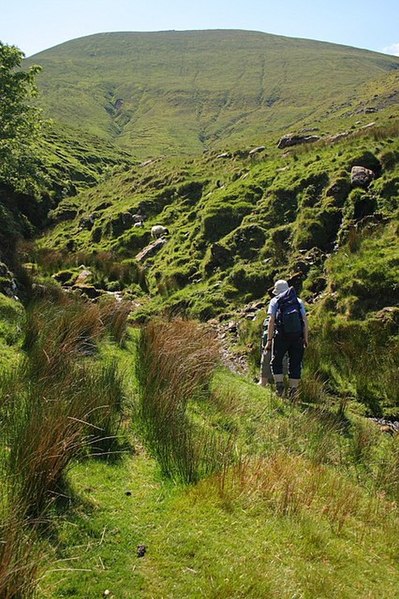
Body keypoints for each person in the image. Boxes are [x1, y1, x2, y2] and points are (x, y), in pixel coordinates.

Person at [264, 279, 308, 398]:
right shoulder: (298, 301)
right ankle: (293, 391)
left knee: (276, 362)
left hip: (281, 336)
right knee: (295, 364)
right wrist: (305, 338)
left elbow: (271, 321)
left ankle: (280, 387)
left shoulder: (275, 301)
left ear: (276, 290)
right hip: (297, 337)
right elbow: (304, 320)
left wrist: (269, 340)